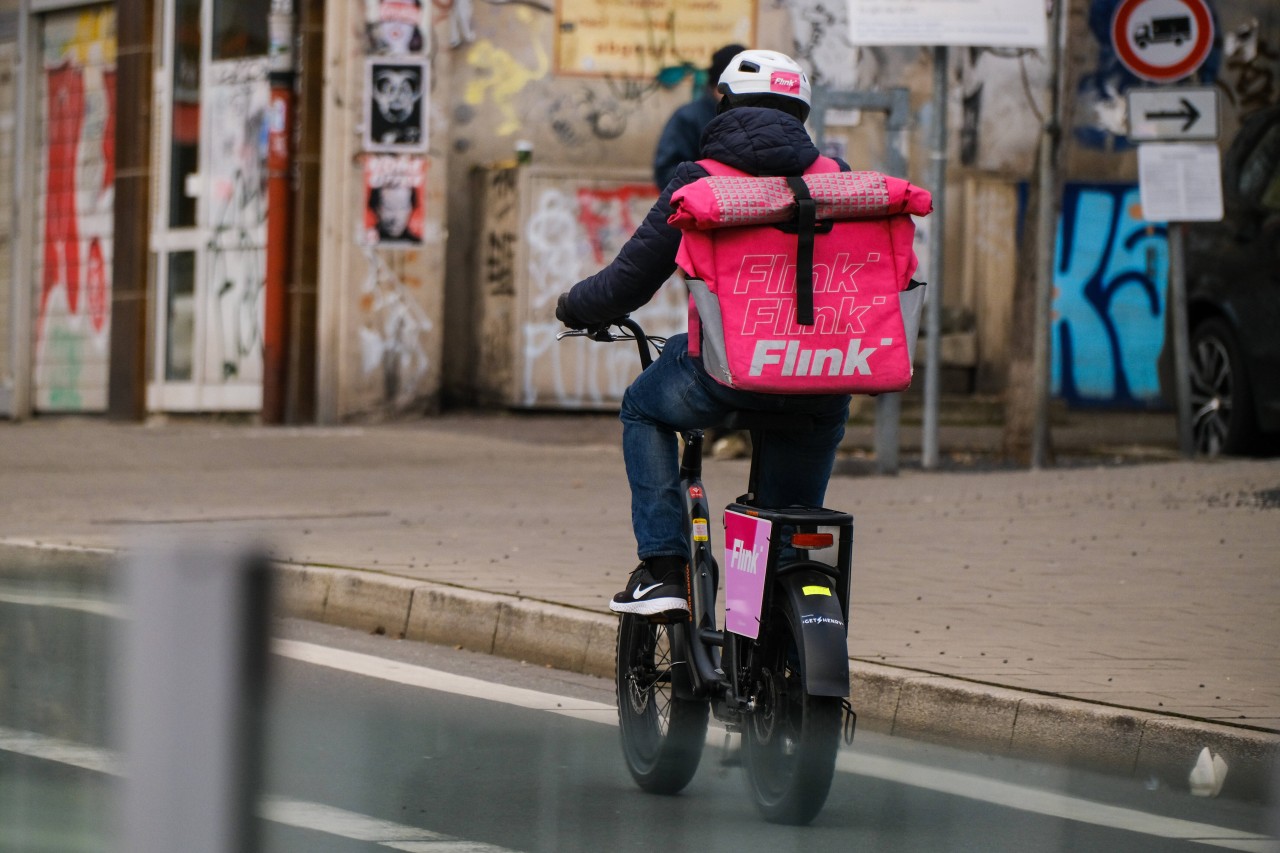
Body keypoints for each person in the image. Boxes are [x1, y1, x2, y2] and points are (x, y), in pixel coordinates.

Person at [556, 50, 853, 617]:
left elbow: (629, 281)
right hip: (821, 376)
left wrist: (575, 306)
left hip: (725, 375)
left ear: (724, 105)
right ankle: (780, 627)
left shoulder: (701, 180)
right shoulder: (836, 181)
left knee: (643, 408)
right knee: (789, 528)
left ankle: (664, 569)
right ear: (801, 112)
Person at [651, 43, 745, 191]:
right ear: (719, 84)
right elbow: (667, 174)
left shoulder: (753, 119)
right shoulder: (688, 118)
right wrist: (714, 186)